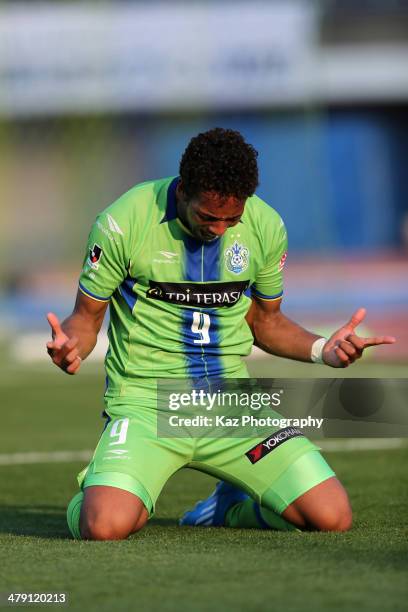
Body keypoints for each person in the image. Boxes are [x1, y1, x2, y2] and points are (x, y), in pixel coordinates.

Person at [46, 128, 395, 540]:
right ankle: (94, 495)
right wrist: (71, 347)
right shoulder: (123, 222)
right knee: (105, 526)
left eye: (233, 218)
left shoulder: (265, 225)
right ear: (183, 193)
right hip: (145, 404)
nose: (221, 230)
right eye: (209, 217)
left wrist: (323, 349)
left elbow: (266, 322)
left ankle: (225, 509)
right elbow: (85, 320)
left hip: (233, 404)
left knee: (332, 516)